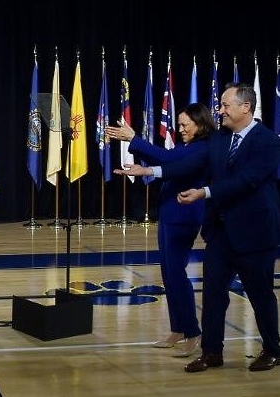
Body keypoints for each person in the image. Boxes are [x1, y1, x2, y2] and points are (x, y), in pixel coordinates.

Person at [114, 82, 280, 373]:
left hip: (254, 233)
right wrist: (149, 170)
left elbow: (247, 181)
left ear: (246, 107)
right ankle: (211, 352)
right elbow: (186, 165)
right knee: (213, 293)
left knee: (260, 294)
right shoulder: (219, 139)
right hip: (220, 232)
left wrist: (205, 192)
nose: (220, 110)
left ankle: (273, 348)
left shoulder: (267, 141)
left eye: (226, 105)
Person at [105, 103, 213, 358]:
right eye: (180, 123)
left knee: (176, 274)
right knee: (168, 273)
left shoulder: (203, 148)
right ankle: (177, 328)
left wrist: (135, 140)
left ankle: (192, 332)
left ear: (201, 124)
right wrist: (141, 155)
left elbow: (170, 161)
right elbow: (165, 159)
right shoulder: (187, 145)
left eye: (186, 124)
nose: (181, 128)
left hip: (184, 217)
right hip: (168, 214)